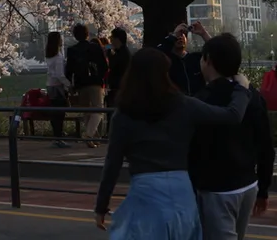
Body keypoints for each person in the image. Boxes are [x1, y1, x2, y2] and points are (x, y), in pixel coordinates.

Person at [94, 47, 251, 236]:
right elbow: (232, 116)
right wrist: (241, 89)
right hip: (182, 189)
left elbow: (113, 162)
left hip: (146, 191)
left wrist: (101, 205)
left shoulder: (124, 113)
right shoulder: (183, 104)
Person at [189, 33, 274, 240]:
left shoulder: (203, 99)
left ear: (208, 60)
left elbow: (193, 149)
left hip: (216, 189)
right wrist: (263, 188)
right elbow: (265, 144)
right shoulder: (251, 94)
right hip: (248, 184)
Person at [65, 24, 108, 148]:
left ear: (75, 35)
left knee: (87, 112)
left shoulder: (72, 50)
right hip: (95, 82)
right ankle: (89, 135)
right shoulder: (95, 47)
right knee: (98, 110)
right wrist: (100, 76)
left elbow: (69, 70)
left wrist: (70, 85)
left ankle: (94, 138)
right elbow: (104, 66)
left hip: (80, 83)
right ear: (87, 34)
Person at [160, 22, 210, 96]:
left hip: (199, 103)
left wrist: (203, 33)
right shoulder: (165, 61)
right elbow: (154, 54)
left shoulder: (196, 58)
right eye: (176, 35)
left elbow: (216, 52)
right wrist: (173, 35)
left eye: (182, 33)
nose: (180, 37)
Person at [45, 30, 71, 148]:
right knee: (60, 113)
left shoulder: (49, 55)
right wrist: (69, 84)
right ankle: (59, 138)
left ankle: (56, 137)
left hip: (50, 85)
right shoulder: (58, 56)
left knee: (54, 113)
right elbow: (60, 75)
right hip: (57, 87)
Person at [106, 28, 131, 108]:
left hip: (118, 87)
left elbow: (113, 65)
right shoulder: (121, 51)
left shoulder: (123, 53)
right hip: (118, 86)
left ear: (117, 39)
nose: (110, 39)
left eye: (112, 37)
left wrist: (109, 54)